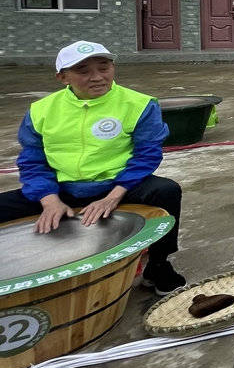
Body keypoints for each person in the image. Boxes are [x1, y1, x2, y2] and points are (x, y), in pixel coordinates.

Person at [0, 41, 186, 295]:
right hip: (63, 189)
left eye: (104, 67)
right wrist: (48, 199)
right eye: (83, 71)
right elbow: (32, 160)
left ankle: (158, 264)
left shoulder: (139, 104)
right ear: (62, 77)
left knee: (165, 191)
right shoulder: (41, 110)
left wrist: (112, 196)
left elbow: (146, 155)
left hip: (117, 186)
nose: (97, 77)